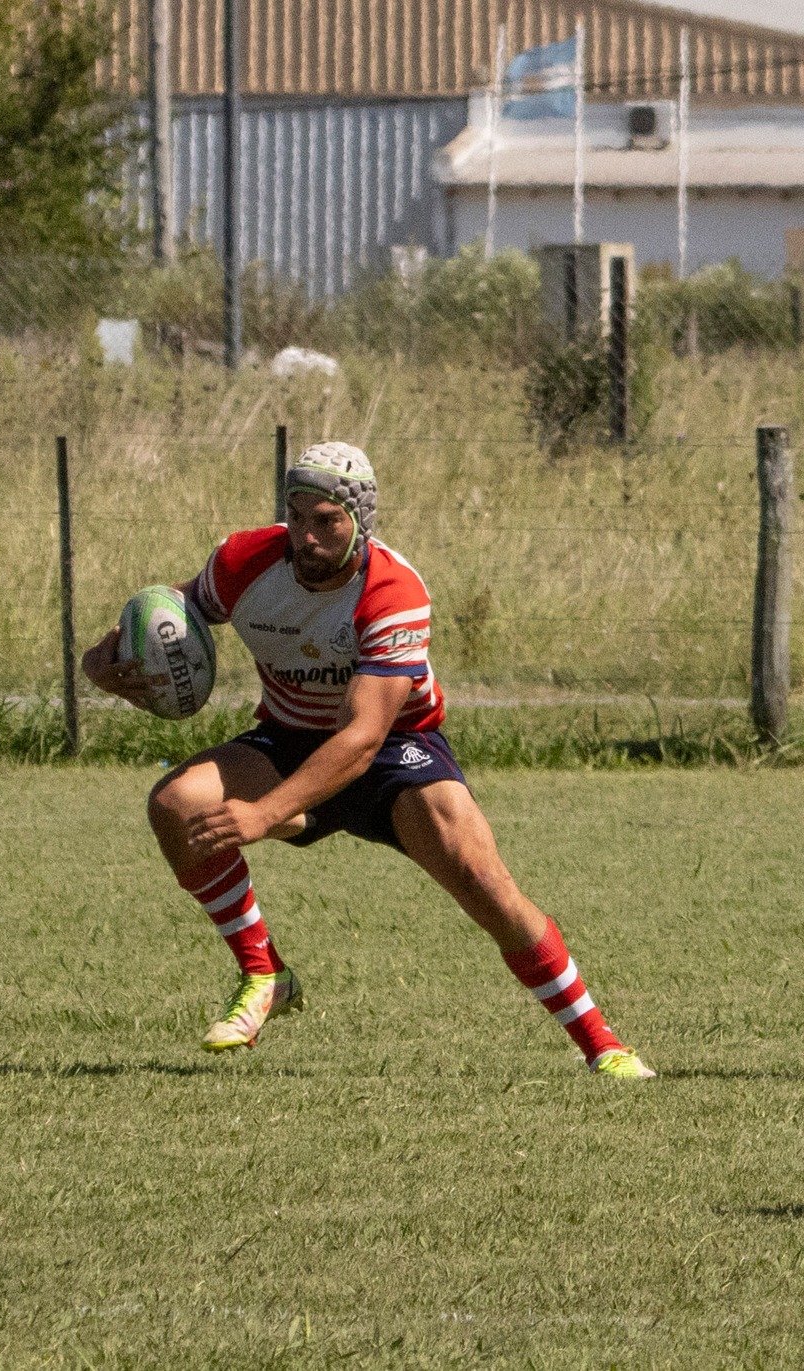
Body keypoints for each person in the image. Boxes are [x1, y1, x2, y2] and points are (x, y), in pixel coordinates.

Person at [82, 442, 653, 1079]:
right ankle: (263, 971)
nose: (307, 535)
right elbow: (169, 612)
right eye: (297, 517)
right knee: (176, 804)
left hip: (395, 751)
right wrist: (108, 664)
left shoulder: (392, 590)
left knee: (483, 883)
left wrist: (266, 812)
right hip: (290, 737)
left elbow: (360, 739)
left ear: (360, 520)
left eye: (326, 520)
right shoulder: (245, 561)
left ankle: (603, 1044)